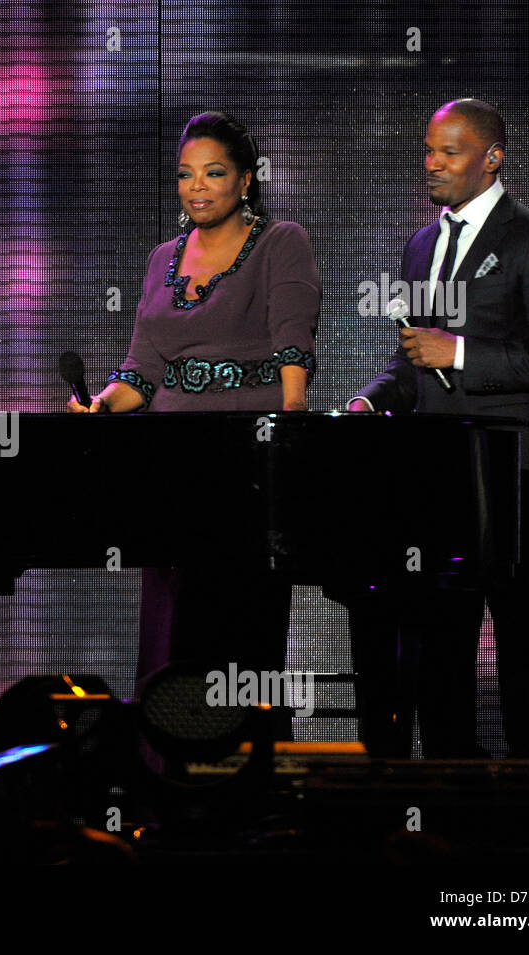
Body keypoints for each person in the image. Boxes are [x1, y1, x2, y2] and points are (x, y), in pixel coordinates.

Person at [342, 99, 529, 758]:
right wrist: (368, 403)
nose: (432, 164)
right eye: (427, 150)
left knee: (524, 651)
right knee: (440, 650)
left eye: (449, 152)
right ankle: (450, 800)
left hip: (517, 477)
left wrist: (458, 353)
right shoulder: (421, 245)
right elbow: (409, 361)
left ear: (492, 158)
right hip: (437, 482)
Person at [69, 111, 321, 716]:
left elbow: (293, 345)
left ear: (245, 180)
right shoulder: (163, 258)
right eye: (186, 175)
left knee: (237, 623)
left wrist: (290, 433)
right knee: (172, 621)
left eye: (213, 173)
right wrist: (100, 405)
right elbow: (142, 369)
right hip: (170, 465)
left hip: (248, 462)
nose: (197, 187)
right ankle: (169, 777)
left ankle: (235, 779)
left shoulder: (281, 242)